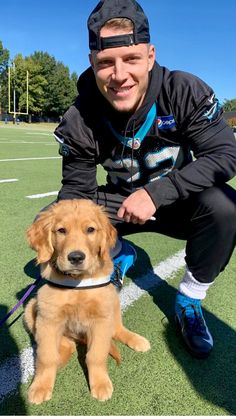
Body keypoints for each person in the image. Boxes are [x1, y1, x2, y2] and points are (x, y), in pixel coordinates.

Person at [53, 0, 236, 359]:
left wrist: (158, 192)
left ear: (150, 56)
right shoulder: (80, 115)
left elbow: (226, 155)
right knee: (59, 217)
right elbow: (76, 191)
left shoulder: (182, 90)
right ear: (92, 62)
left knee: (226, 207)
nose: (119, 74)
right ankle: (121, 251)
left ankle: (190, 299)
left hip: (179, 204)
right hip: (119, 205)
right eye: (106, 62)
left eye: (131, 59)